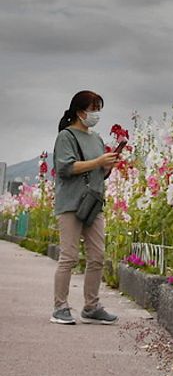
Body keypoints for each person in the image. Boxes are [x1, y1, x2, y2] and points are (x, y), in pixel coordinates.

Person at [51, 90, 120, 325]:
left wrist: (107, 167)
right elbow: (66, 168)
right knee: (68, 257)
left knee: (98, 256)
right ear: (80, 112)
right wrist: (99, 162)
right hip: (71, 204)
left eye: (99, 109)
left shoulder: (96, 138)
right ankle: (60, 307)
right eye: (93, 109)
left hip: (93, 203)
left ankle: (91, 306)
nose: (96, 114)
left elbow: (98, 173)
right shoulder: (66, 136)